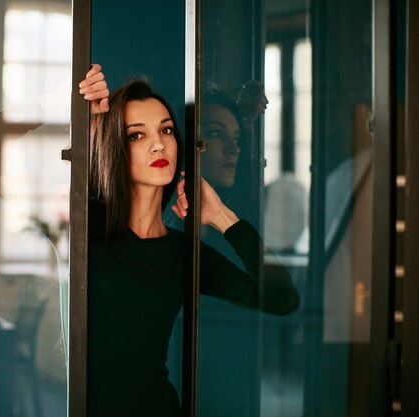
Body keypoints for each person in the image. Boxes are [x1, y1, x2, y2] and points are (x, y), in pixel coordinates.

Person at [79, 65, 299, 416]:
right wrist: (86, 125)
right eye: (137, 135)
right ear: (113, 147)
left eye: (166, 130)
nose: (158, 143)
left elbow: (281, 299)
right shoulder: (88, 237)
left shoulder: (183, 253)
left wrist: (221, 216)